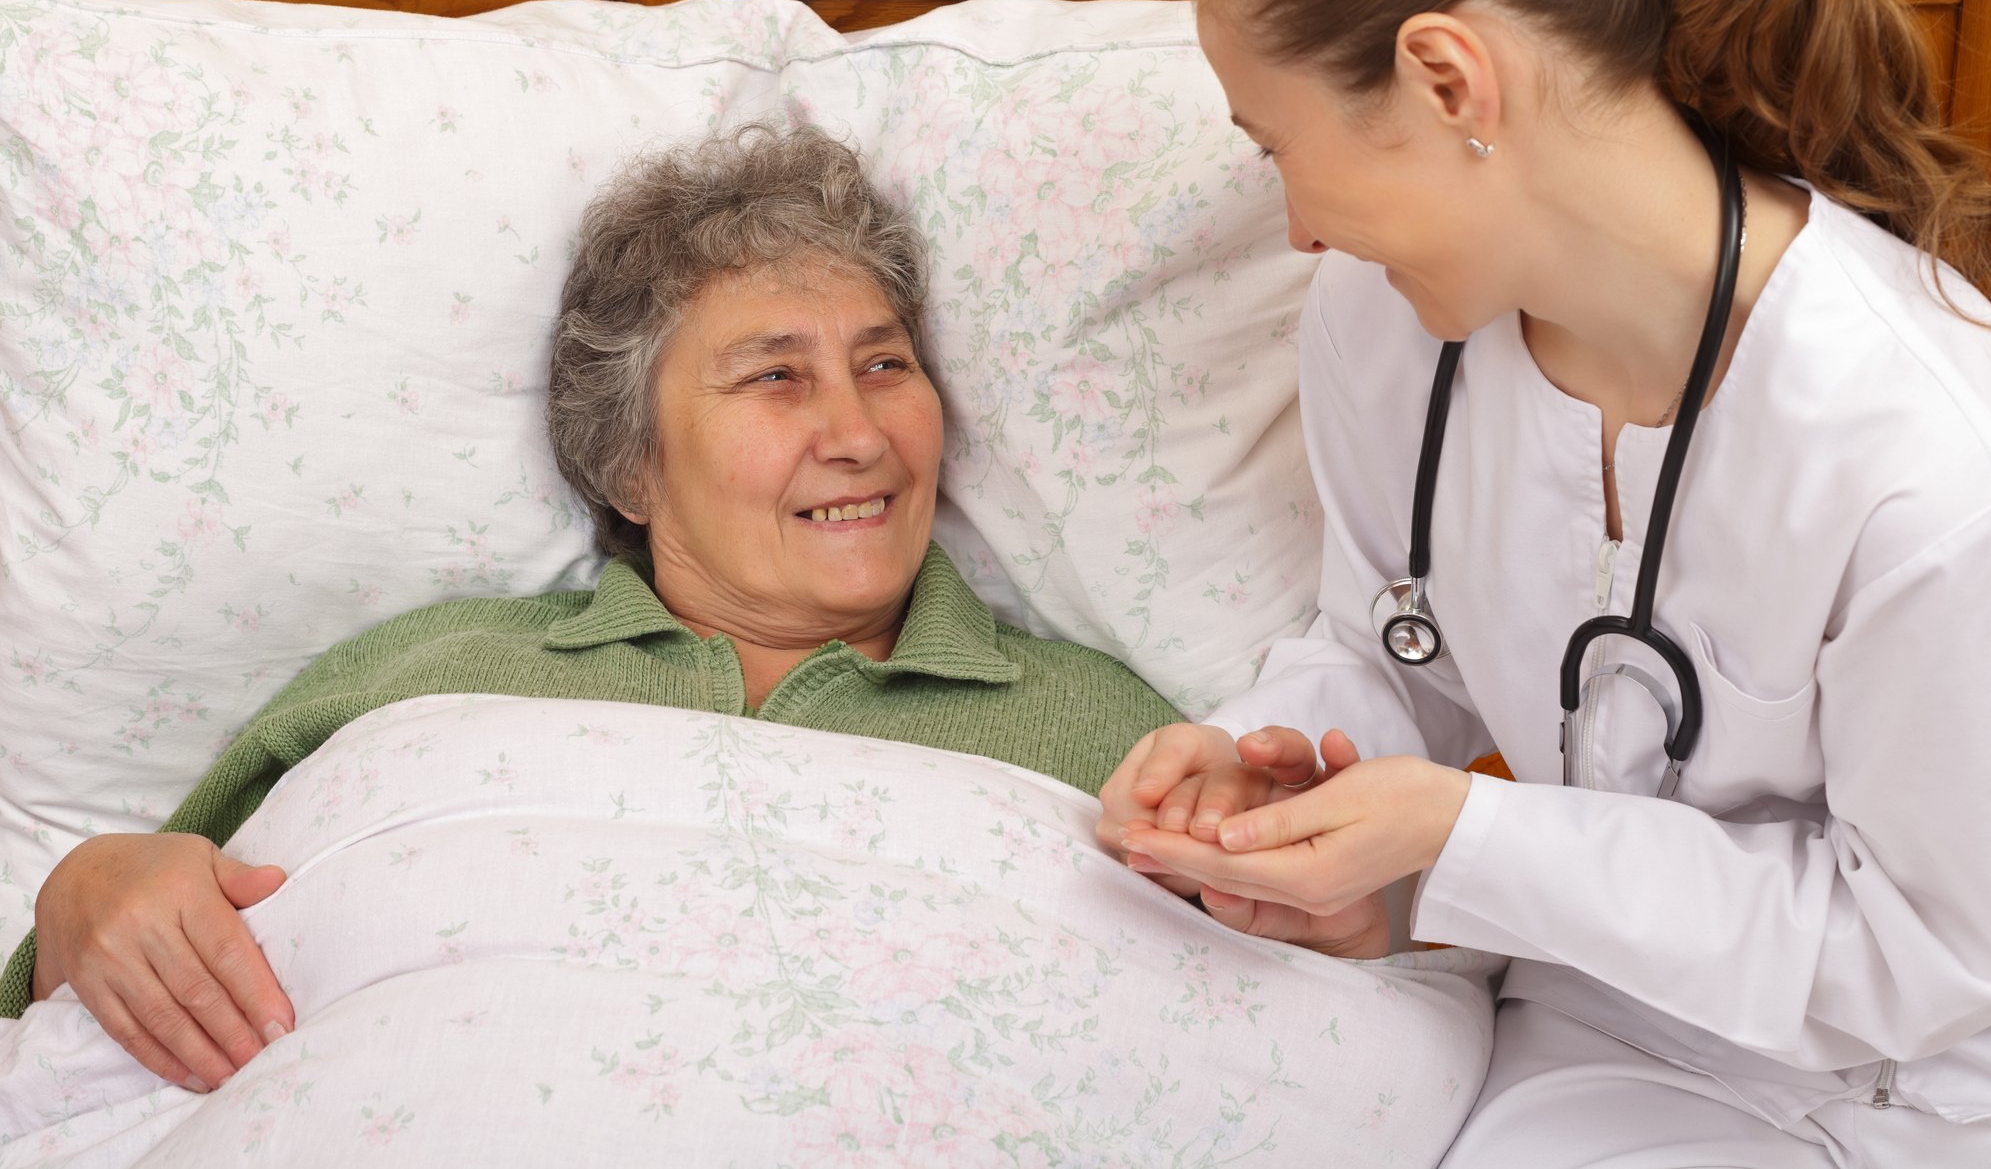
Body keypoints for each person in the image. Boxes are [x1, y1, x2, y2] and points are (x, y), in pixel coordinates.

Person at [1096, 0, 1991, 1168]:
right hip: (1609, 1030)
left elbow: (1911, 955)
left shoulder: (1942, 468)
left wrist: (1466, 837)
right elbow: (1393, 648)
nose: (1293, 224)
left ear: (1446, 80)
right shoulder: (1381, 326)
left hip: (1963, 1075)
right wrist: (1270, 760)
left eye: (1275, 145)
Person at [1, 121, 1181, 1095]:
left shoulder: (1107, 729)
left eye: (884, 364)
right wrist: (85, 893)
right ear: (628, 465)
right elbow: (61, 1009)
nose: (859, 433)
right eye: (775, 375)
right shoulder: (423, 673)